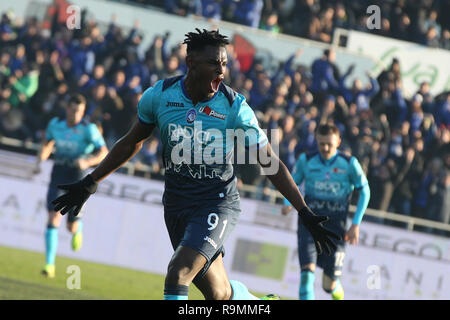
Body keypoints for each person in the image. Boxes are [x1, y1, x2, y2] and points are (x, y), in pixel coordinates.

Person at [51, 29, 340, 300]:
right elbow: (130, 143)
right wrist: (91, 182)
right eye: (214, 63)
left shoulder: (234, 107)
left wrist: (303, 211)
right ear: (191, 62)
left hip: (217, 202)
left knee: (178, 271)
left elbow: (269, 163)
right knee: (218, 294)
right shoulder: (161, 96)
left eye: (224, 63)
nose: (222, 70)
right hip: (176, 205)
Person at [282, 123, 370, 300]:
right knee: (307, 275)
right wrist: (287, 202)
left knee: (328, 286)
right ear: (316, 141)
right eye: (322, 143)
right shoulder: (306, 160)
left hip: (336, 228)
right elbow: (292, 183)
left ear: (338, 141)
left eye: (329, 143)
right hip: (309, 224)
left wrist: (356, 224)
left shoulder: (349, 163)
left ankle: (335, 286)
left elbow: (365, 191)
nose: (325, 147)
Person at [35, 93, 108, 278]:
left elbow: (103, 152)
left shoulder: (88, 129)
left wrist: (87, 162)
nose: (76, 115)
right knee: (53, 217)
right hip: (59, 171)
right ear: (67, 108)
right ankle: (49, 265)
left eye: (80, 111)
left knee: (71, 226)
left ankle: (77, 229)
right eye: (74, 110)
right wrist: (41, 157)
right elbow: (48, 143)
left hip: (78, 176)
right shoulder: (55, 124)